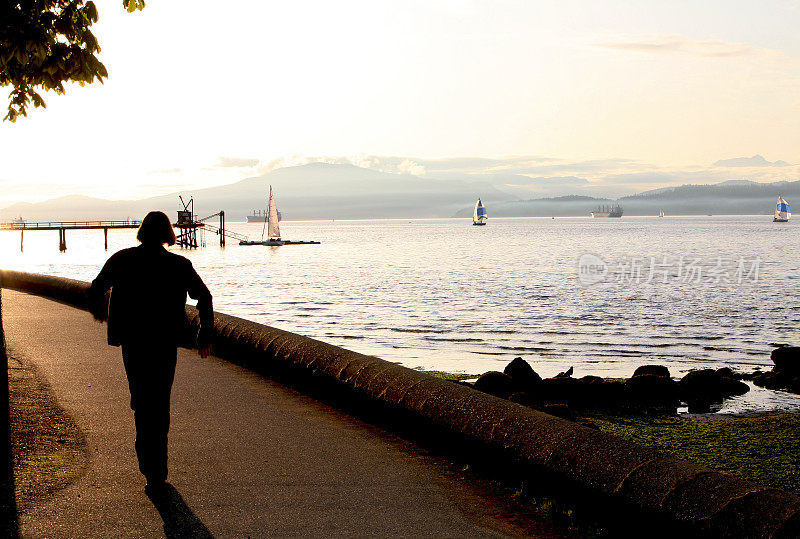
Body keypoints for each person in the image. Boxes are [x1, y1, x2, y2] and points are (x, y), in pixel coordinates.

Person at [88, 211, 213, 494]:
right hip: (164, 342)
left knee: (141, 402)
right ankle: (158, 473)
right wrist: (205, 332)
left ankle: (149, 469)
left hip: (134, 341)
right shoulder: (179, 264)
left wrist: (103, 314)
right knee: (160, 403)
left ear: (142, 231)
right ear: (168, 234)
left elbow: (96, 288)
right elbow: (204, 297)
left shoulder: (122, 259)